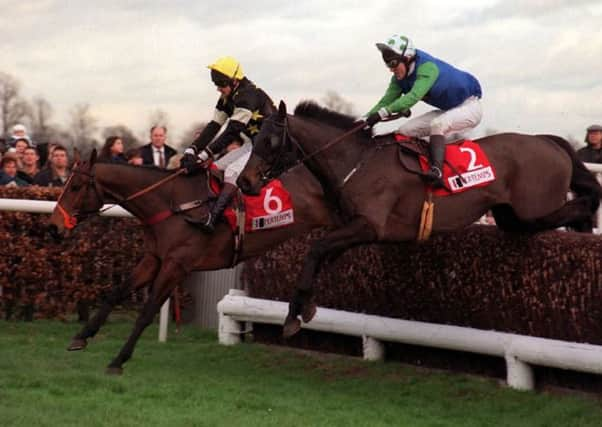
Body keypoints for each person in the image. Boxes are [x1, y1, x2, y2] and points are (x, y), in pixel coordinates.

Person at [363, 34, 482, 187]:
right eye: (388, 65)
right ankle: (418, 167)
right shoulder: (399, 78)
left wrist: (382, 114)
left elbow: (413, 97)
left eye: (393, 64)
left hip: (470, 107)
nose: (391, 70)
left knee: (437, 124)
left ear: (407, 58)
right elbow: (385, 101)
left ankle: (437, 172)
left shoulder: (427, 67)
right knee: (406, 130)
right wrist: (364, 119)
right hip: (449, 109)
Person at [180, 56, 276, 232]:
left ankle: (213, 219)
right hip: (254, 144)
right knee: (216, 167)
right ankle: (223, 208)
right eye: (216, 83)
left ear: (234, 81)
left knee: (231, 171)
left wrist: (203, 155)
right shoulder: (228, 96)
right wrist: (191, 150)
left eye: (221, 84)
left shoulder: (248, 96)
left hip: (268, 146)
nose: (218, 88)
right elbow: (214, 126)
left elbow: (231, 131)